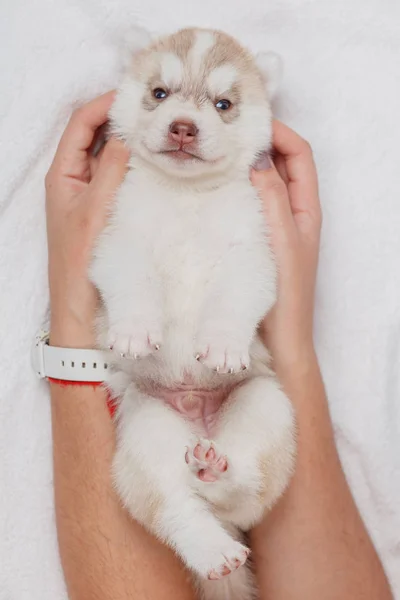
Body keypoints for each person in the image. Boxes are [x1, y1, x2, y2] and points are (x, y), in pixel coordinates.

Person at [45, 91, 393, 600]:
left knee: (264, 411)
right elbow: (122, 258)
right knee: (144, 441)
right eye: (160, 93)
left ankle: (232, 487)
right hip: (151, 386)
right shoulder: (139, 188)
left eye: (224, 103)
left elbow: (246, 269)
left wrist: (266, 338)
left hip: (235, 385)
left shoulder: (239, 197)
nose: (184, 121)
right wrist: (292, 345)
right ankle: (190, 524)